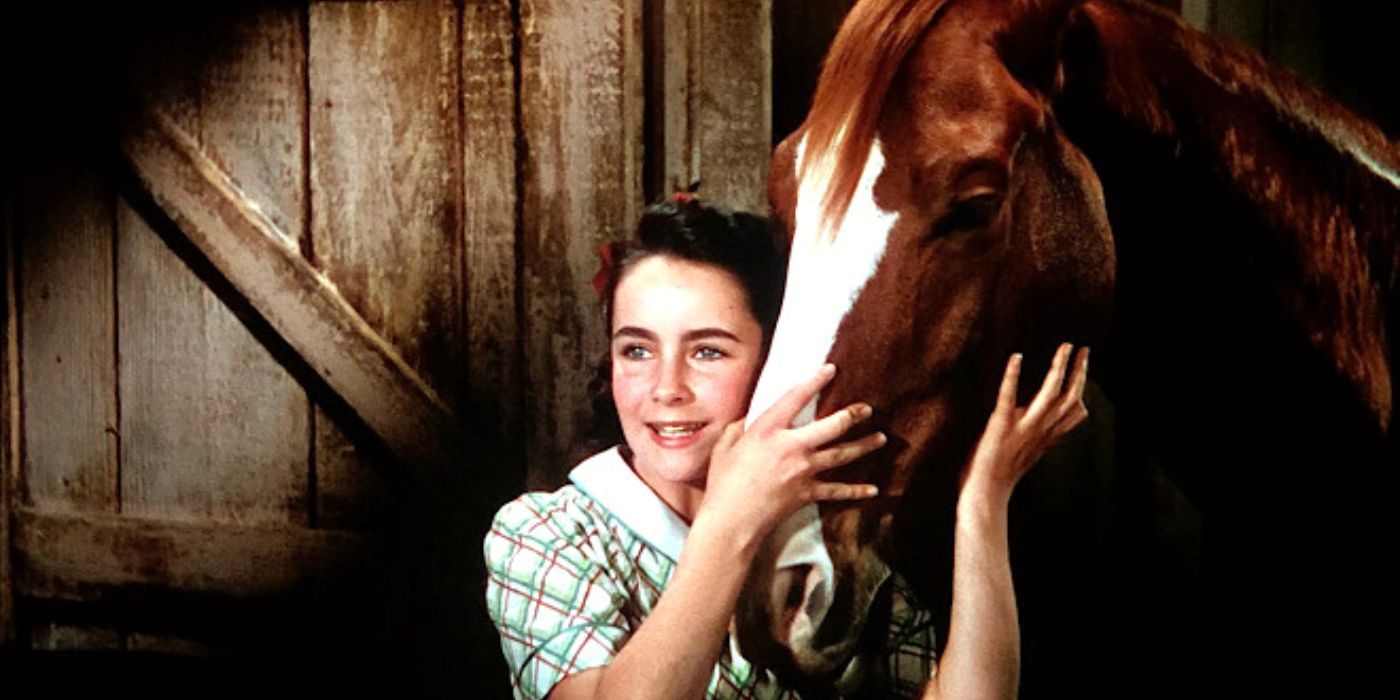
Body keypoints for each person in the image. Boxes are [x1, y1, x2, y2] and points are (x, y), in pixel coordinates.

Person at [484, 195, 1089, 699]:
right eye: (636, 350)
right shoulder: (549, 532)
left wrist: (983, 502)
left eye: (707, 351)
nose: (666, 389)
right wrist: (732, 518)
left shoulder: (834, 548)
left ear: (776, 363)